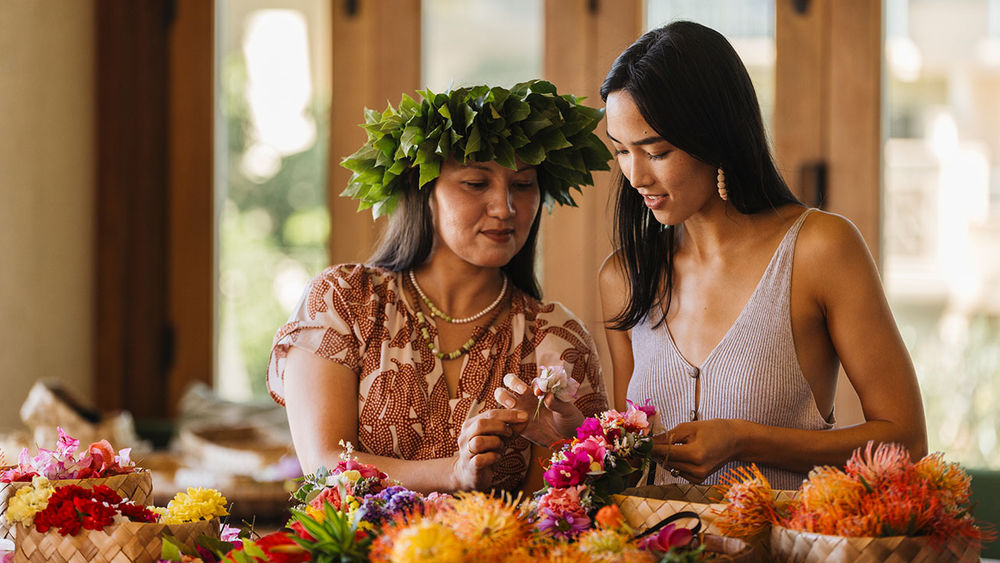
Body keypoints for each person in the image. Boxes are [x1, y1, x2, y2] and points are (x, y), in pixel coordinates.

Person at [598, 21, 927, 490]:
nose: (636, 176)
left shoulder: (820, 249)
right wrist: (572, 433)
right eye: (621, 151)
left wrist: (744, 440)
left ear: (715, 136)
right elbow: (632, 469)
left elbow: (907, 444)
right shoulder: (623, 277)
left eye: (657, 151)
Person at [267, 81, 611, 494]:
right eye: (476, 183)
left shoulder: (554, 336)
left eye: (523, 185)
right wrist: (453, 473)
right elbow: (323, 467)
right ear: (423, 186)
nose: (506, 207)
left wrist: (562, 441)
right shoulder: (344, 300)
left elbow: (563, 511)